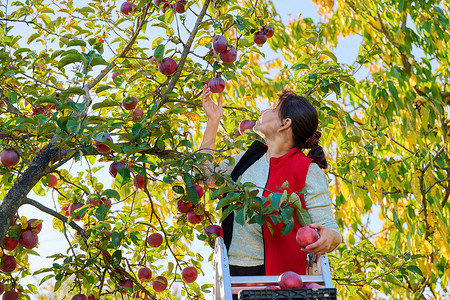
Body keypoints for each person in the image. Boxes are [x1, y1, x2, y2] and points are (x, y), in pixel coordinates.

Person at [199, 85, 341, 278]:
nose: (263, 111)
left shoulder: (306, 169)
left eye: (273, 109)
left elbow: (328, 226)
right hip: (231, 272)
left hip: (279, 278)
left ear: (285, 124)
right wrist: (213, 121)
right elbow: (205, 174)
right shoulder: (248, 157)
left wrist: (330, 238)